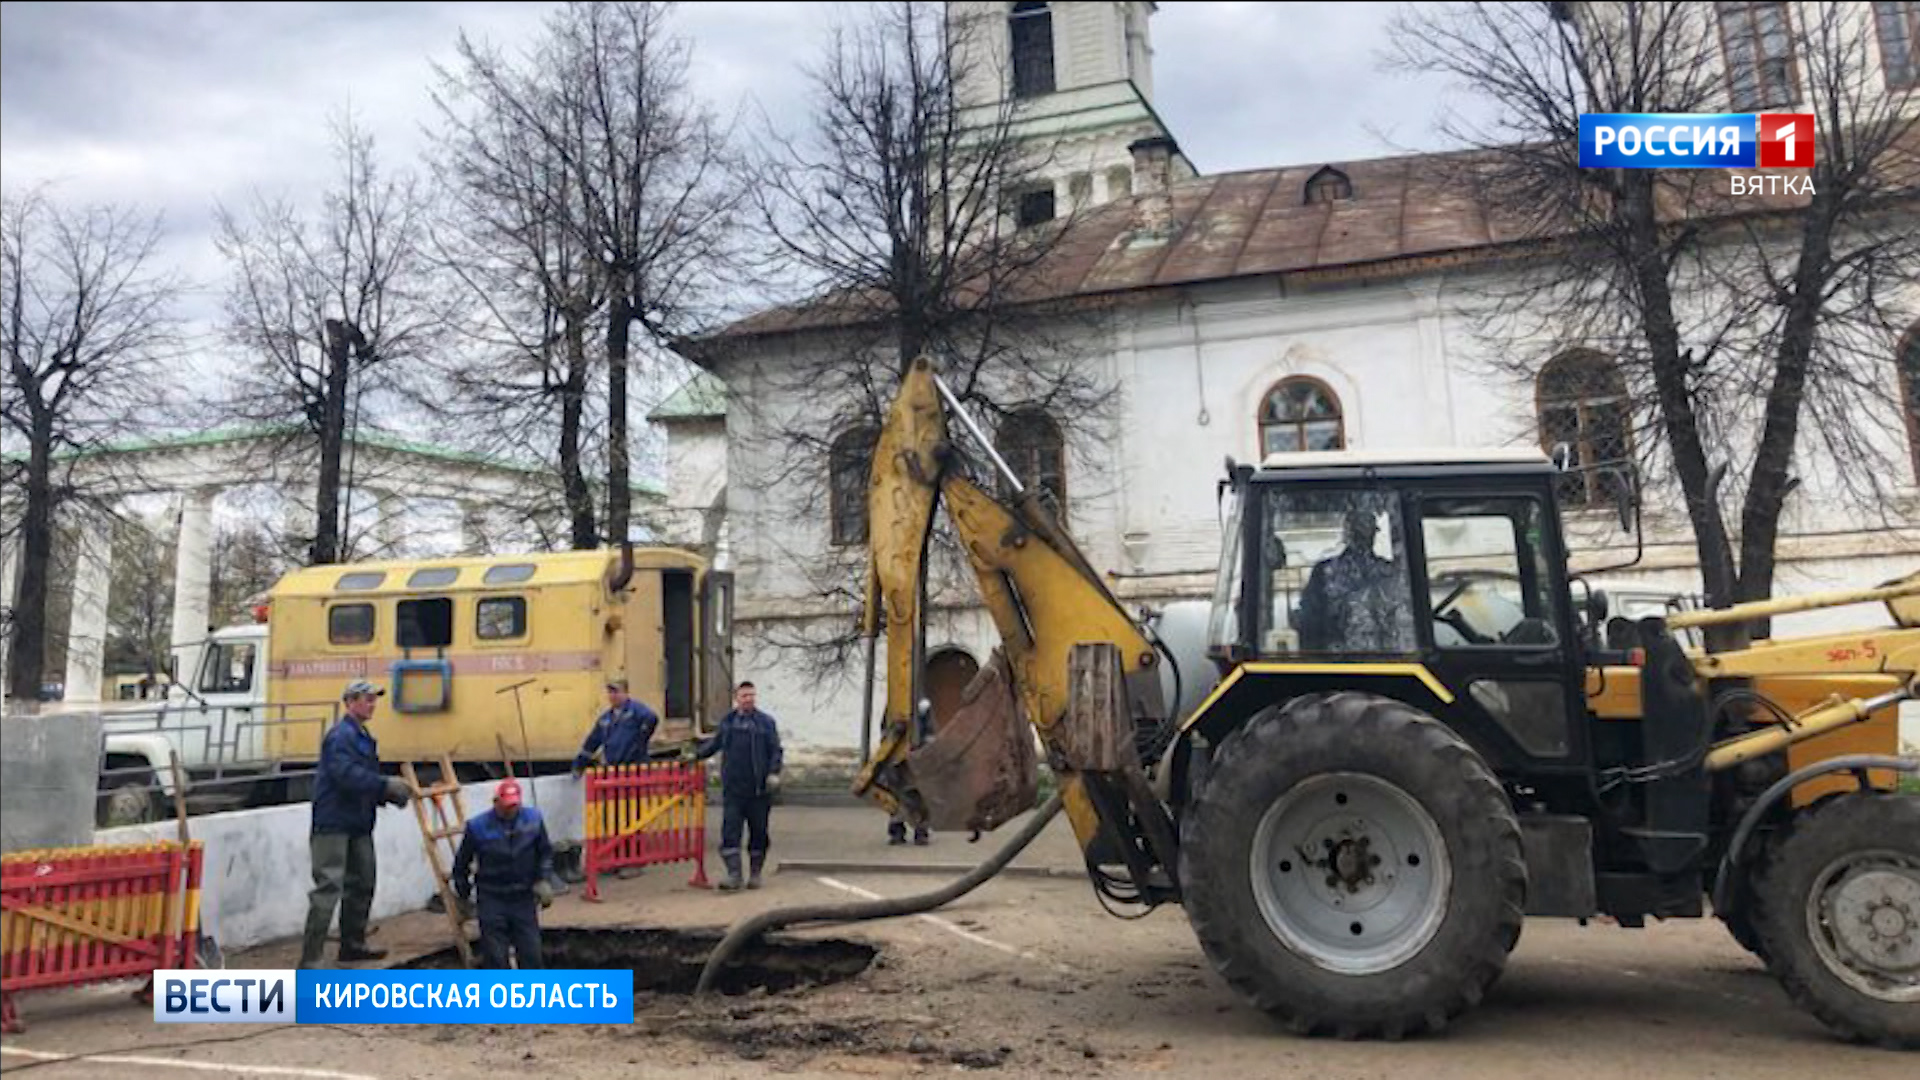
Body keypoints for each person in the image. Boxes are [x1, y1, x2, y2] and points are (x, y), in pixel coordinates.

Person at [301, 680, 412, 969]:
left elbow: (359, 778)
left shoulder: (362, 736)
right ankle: (310, 960)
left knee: (362, 883)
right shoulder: (341, 737)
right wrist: (384, 786)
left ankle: (352, 944)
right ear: (349, 702)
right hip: (334, 822)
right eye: (366, 699)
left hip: (358, 821)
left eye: (374, 699)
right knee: (328, 887)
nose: (372, 704)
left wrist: (382, 795)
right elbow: (346, 775)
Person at [689, 680, 784, 891]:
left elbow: (776, 749)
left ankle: (755, 874)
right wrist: (694, 756)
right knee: (730, 832)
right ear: (736, 699)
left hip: (759, 790)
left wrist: (773, 773)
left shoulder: (765, 723)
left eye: (752, 695)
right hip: (734, 790)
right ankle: (734, 875)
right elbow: (715, 744)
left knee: (759, 832)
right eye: (744, 696)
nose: (749, 699)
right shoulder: (729, 722)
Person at [452, 778, 554, 970]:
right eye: (507, 806)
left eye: (514, 806)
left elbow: (545, 853)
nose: (511, 811)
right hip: (492, 897)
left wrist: (543, 879)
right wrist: (463, 895)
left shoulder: (533, 821)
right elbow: (461, 864)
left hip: (523, 896)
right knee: (495, 956)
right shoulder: (477, 827)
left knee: (531, 953)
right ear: (496, 802)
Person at [1294, 508, 1408, 653]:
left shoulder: (1325, 570)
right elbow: (1310, 621)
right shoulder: (1388, 570)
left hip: (1359, 657)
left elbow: (1308, 622)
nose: (1365, 538)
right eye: (1362, 533)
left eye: (1366, 533)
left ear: (1346, 535)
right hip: (1364, 657)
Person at [572, 678, 661, 775]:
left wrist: (639, 743)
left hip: (635, 769)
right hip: (613, 769)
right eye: (610, 693)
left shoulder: (635, 710)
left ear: (626, 693)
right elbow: (591, 743)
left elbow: (651, 718)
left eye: (616, 692)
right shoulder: (605, 719)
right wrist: (579, 765)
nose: (613, 696)